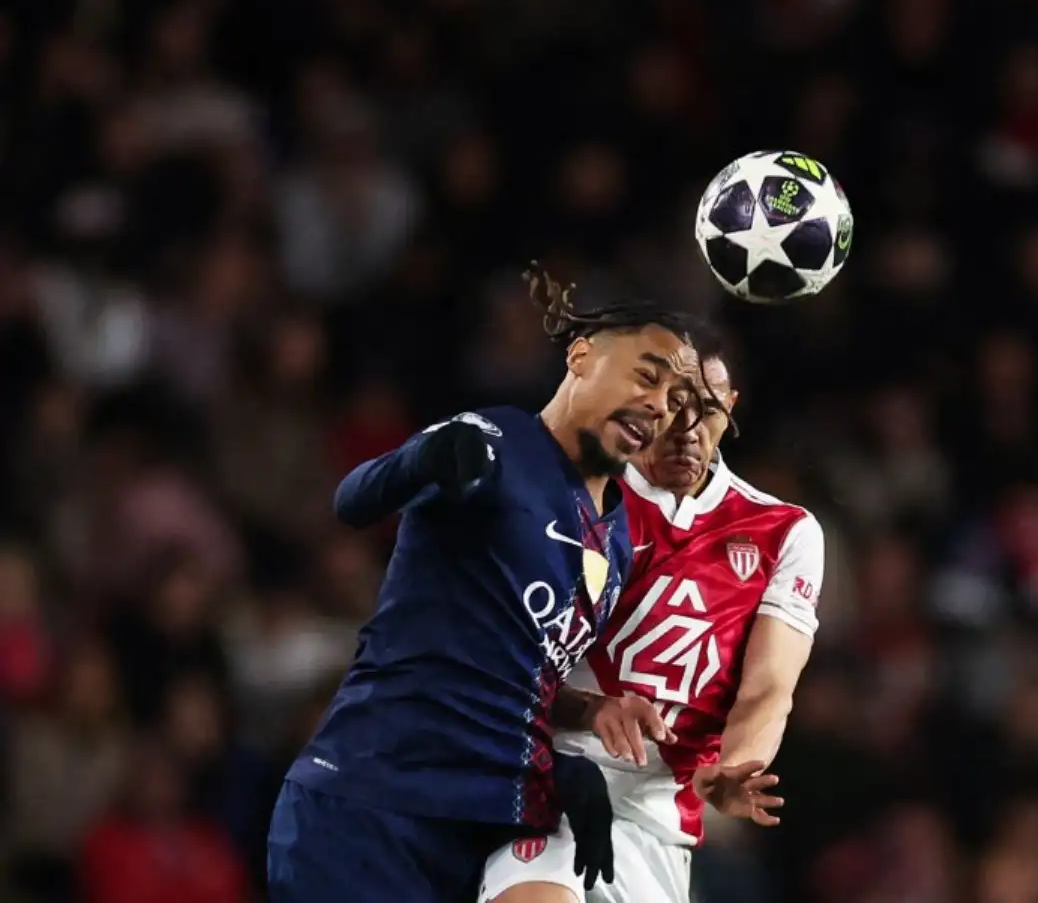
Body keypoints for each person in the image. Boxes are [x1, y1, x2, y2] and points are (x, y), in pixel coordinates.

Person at [267, 265, 712, 903]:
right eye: (648, 376)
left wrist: (593, 712)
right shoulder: (496, 441)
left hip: (479, 830)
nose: (658, 406)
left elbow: (518, 675)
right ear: (581, 357)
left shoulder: (614, 541)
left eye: (675, 401)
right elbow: (354, 500)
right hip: (371, 810)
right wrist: (423, 459)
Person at [481, 351, 824, 903]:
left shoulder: (783, 532)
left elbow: (768, 687)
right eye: (674, 405)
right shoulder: (583, 497)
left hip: (658, 818)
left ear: (731, 410)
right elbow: (509, 660)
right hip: (551, 779)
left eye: (708, 409)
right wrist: (589, 712)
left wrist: (734, 765)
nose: (688, 429)